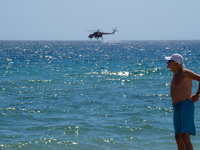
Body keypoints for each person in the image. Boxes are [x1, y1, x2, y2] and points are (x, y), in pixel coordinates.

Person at [165, 53, 200, 150]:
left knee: (185, 136)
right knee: (178, 137)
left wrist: (197, 95)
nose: (167, 62)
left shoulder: (185, 73)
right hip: (176, 107)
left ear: (176, 64)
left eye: (169, 61)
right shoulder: (175, 74)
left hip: (186, 106)